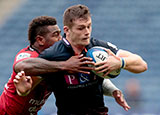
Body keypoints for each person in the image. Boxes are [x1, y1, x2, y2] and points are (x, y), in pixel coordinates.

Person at [14, 4, 147, 115]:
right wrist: (23, 90)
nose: (87, 32)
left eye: (89, 26)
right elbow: (24, 73)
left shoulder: (98, 48)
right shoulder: (53, 55)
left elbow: (141, 64)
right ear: (67, 30)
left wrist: (121, 62)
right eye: (81, 28)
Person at [0, 16, 95, 115]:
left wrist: (112, 90)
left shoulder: (57, 58)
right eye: (56, 35)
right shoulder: (29, 55)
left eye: (60, 34)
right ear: (40, 40)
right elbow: (21, 66)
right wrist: (65, 65)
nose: (61, 39)